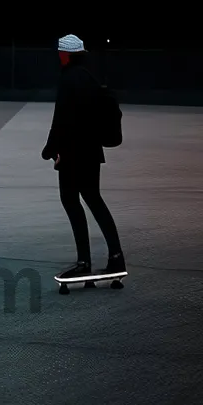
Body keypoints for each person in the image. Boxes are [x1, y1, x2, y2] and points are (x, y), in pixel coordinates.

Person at [42, 34, 124, 280]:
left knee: (70, 201)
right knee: (94, 201)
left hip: (72, 153)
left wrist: (50, 149)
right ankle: (116, 257)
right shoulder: (89, 77)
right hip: (91, 152)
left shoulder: (68, 79)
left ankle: (83, 261)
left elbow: (62, 119)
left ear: (64, 55)